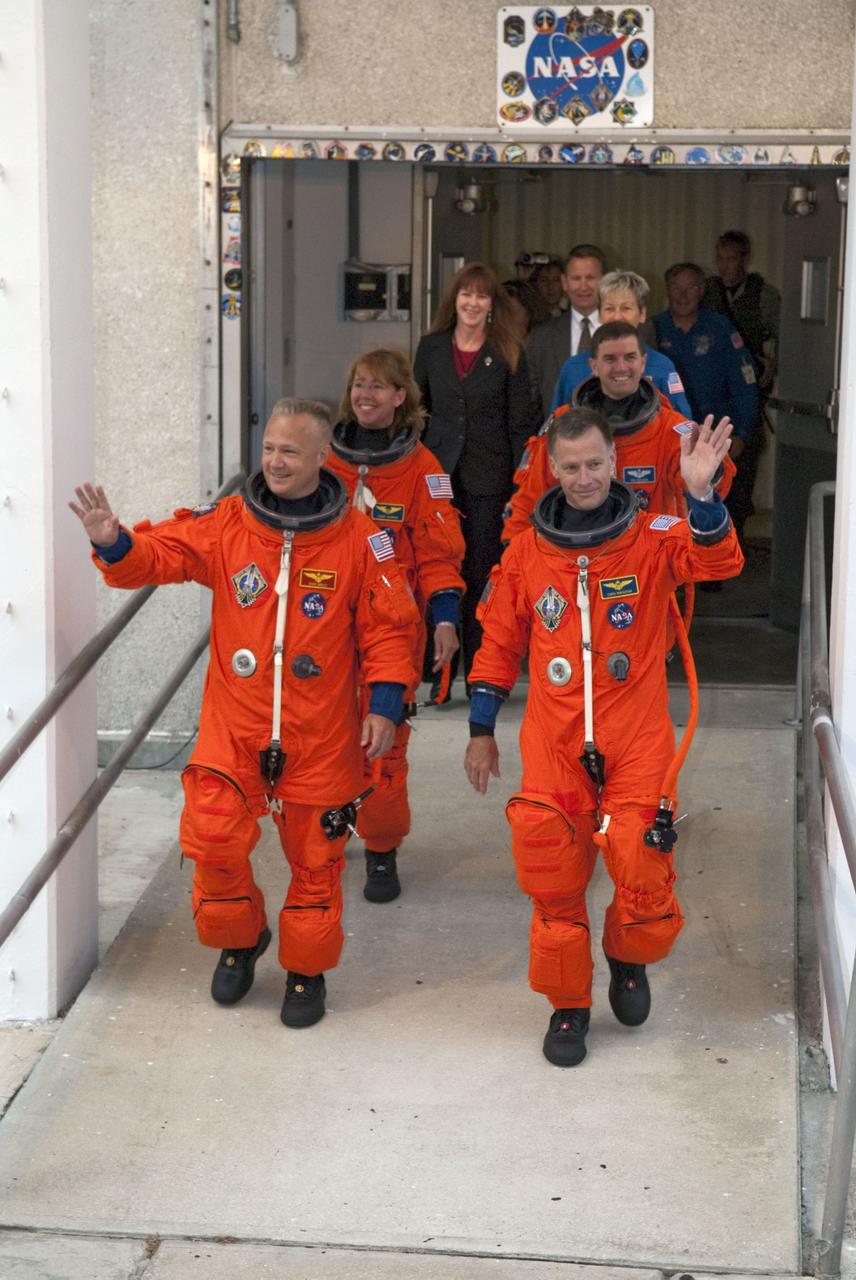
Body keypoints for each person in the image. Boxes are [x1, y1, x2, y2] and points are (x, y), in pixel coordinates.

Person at [69, 399, 419, 1029]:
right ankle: (242, 937)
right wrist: (111, 541)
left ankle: (306, 972)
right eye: (269, 449)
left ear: (320, 458)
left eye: (290, 451)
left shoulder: (364, 541)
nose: (275, 461)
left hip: (322, 732)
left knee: (317, 863)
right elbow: (158, 555)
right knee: (211, 838)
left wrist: (387, 705)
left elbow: (392, 630)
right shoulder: (231, 524)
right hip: (237, 726)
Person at [464, 406, 744, 1066]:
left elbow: (718, 562)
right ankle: (568, 1007)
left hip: (637, 739)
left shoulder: (653, 537)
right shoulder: (528, 553)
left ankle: (627, 956)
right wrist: (481, 729)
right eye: (570, 466)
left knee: (642, 867)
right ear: (551, 470)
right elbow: (499, 640)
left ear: (614, 463)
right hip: (555, 744)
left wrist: (702, 494)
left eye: (595, 464)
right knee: (552, 878)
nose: (584, 477)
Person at [327, 349, 465, 903]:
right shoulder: (323, 457)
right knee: (325, 741)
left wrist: (447, 620)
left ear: (401, 397)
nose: (367, 395)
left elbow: (439, 554)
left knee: (383, 747)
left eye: (380, 387)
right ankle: (326, 836)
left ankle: (381, 850)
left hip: (391, 626)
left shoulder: (424, 470)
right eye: (360, 384)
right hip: (326, 626)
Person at [504, 321, 735, 543]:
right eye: (610, 359)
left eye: (630, 357)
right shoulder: (562, 426)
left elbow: (708, 491)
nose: (621, 367)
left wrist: (709, 479)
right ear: (594, 366)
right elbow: (527, 502)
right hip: (575, 560)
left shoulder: (670, 430)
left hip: (649, 561)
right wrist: (514, 562)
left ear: (643, 362)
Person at [414, 262, 534, 679]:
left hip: (490, 479)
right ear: (455, 299)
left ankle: (480, 669)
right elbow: (417, 414)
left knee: (482, 570)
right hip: (438, 478)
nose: (473, 301)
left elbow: (521, 425)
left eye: (482, 295)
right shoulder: (430, 348)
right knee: (438, 563)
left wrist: (523, 484)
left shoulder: (509, 351)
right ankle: (438, 672)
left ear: (491, 305)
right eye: (466, 293)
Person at [654, 263, 760, 542]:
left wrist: (742, 432)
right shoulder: (654, 329)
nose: (683, 294)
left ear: (701, 290)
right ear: (667, 290)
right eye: (676, 287)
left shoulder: (720, 328)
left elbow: (744, 383)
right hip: (669, 437)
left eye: (690, 287)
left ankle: (712, 570)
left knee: (717, 501)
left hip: (714, 436)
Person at [703, 231, 781, 541]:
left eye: (731, 258)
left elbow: (784, 335)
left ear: (745, 260)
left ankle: (735, 540)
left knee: (743, 472)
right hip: (710, 393)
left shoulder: (764, 294)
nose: (724, 266)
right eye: (720, 258)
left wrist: (773, 361)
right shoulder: (706, 291)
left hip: (747, 396)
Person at [550, 270, 693, 418]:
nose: (617, 316)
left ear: (642, 314)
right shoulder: (573, 368)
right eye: (609, 308)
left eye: (626, 308)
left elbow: (682, 425)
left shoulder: (662, 366)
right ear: (599, 314)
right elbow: (555, 425)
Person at [526, 244, 607, 418]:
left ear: (604, 282)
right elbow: (530, 402)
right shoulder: (540, 337)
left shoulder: (626, 333)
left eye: (590, 278)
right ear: (564, 282)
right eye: (576, 278)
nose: (583, 287)